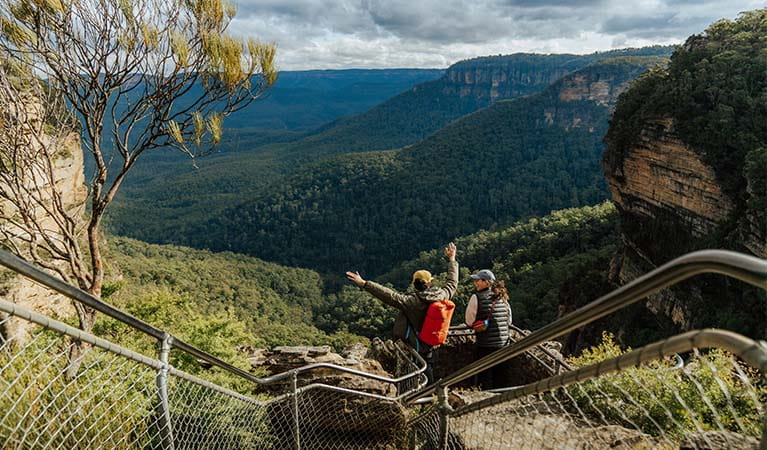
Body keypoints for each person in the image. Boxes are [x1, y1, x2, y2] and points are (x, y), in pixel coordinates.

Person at [345, 243, 458, 384]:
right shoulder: (442, 294)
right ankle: (430, 393)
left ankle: (425, 396)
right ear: (429, 284)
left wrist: (364, 283)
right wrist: (452, 260)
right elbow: (452, 282)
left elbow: (389, 295)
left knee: (420, 369)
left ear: (414, 284)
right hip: (434, 339)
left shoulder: (411, 302)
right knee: (429, 364)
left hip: (418, 342)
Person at [464, 269, 511, 389]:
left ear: (486, 282)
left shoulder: (476, 297)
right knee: (500, 378)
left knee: (484, 376)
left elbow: (469, 321)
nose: (476, 283)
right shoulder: (502, 296)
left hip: (485, 345)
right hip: (504, 344)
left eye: (478, 280)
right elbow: (509, 320)